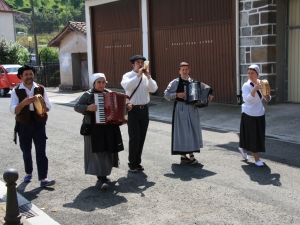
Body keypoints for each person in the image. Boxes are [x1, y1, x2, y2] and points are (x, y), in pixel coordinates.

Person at [74, 73, 129, 189]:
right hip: (94, 128)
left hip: (108, 127)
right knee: (99, 152)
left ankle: (103, 175)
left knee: (108, 150)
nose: (101, 84)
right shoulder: (88, 94)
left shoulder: (109, 94)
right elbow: (77, 106)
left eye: (103, 82)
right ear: (94, 83)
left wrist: (127, 108)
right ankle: (103, 178)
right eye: (99, 82)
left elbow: (119, 111)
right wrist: (87, 108)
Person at [10, 65, 55, 187]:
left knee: (41, 150)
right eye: (26, 74)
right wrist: (24, 103)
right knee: (26, 150)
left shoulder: (40, 88)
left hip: (39, 122)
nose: (29, 76)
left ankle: (43, 178)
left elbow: (49, 105)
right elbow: (13, 110)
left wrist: (43, 109)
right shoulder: (16, 90)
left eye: (31, 74)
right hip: (23, 123)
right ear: (21, 76)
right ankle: (28, 173)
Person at [164, 62, 213, 164]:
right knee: (184, 132)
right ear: (179, 71)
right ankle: (191, 156)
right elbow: (166, 94)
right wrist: (177, 94)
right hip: (181, 108)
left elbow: (200, 94)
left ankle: (184, 156)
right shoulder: (175, 82)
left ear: (189, 70)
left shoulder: (193, 82)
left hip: (192, 108)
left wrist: (207, 98)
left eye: (186, 69)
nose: (185, 71)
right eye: (183, 70)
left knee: (192, 131)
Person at [121, 55, 158, 172]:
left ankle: (137, 162)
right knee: (134, 137)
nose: (141, 64)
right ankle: (132, 162)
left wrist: (149, 77)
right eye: (138, 62)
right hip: (132, 110)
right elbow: (126, 86)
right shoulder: (127, 76)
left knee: (141, 137)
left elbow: (154, 89)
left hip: (144, 109)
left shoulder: (146, 77)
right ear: (133, 64)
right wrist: (138, 75)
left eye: (142, 62)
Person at [238, 64, 271, 166]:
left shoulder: (261, 83)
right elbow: (247, 100)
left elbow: (267, 97)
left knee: (258, 135)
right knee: (252, 136)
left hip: (259, 113)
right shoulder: (246, 85)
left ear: (258, 74)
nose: (250, 75)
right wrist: (255, 89)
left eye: (252, 73)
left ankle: (243, 148)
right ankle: (256, 159)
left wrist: (267, 97)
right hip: (249, 114)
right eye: (248, 73)